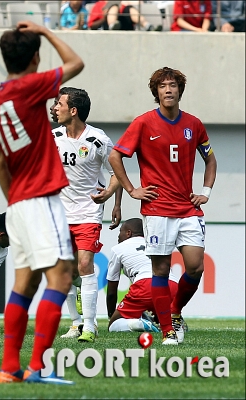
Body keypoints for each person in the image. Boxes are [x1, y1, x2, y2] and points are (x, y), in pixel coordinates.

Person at [0, 21, 84, 384]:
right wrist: (45, 30)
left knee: (24, 285)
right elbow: (76, 63)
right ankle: (38, 367)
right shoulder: (30, 86)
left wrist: (12, 200)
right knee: (60, 279)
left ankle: (9, 368)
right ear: (36, 56)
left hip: (19, 203)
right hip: (42, 198)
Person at [108, 67, 217, 345]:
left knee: (195, 267)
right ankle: (167, 330)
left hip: (188, 209)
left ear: (180, 90)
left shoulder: (194, 124)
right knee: (161, 269)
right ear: (156, 92)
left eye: (173, 85)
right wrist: (132, 189)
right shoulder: (143, 123)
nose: (168, 90)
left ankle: (175, 311)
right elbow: (115, 157)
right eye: (163, 86)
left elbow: (210, 160)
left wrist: (205, 192)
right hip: (157, 210)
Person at [50, 87, 122, 343]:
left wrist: (112, 199)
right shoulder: (54, 136)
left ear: (73, 110)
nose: (55, 108)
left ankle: (90, 326)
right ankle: (76, 323)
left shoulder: (98, 139)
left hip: (88, 212)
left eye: (59, 104)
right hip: (59, 214)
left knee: (84, 265)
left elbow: (117, 172)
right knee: (66, 272)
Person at [106, 218, 179, 333]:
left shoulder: (118, 249)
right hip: (173, 285)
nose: (118, 236)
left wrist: (111, 316)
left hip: (146, 284)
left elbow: (111, 290)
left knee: (114, 325)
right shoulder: (154, 243)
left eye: (120, 231)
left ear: (128, 233)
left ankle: (140, 323)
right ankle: (173, 322)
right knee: (163, 318)